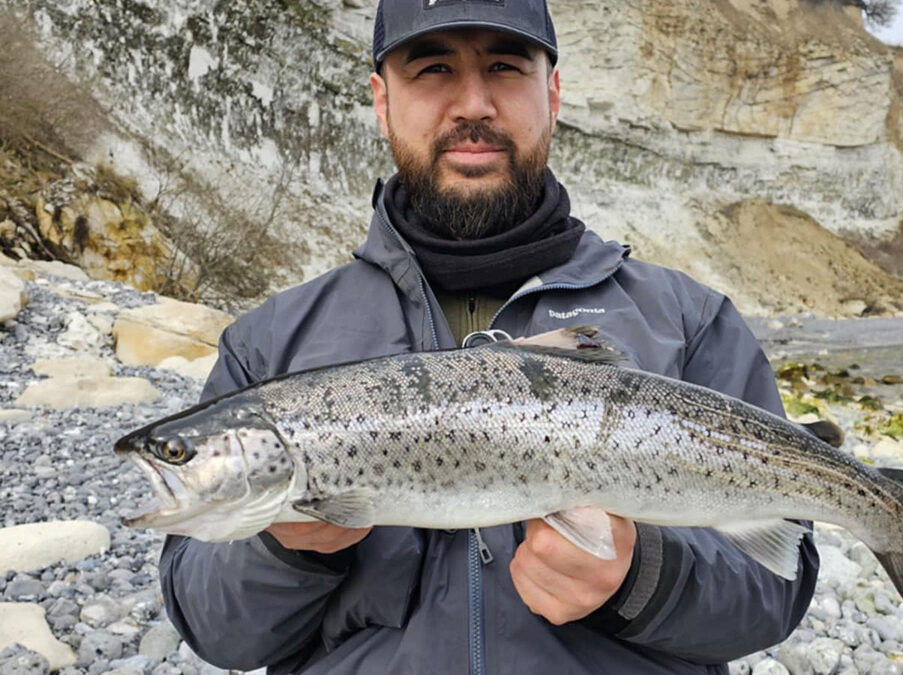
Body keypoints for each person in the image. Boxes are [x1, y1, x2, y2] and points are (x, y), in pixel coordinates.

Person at [159, 1, 819, 672]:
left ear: (552, 95)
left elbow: (774, 592)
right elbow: (219, 635)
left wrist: (643, 576)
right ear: (382, 101)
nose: (473, 104)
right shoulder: (268, 343)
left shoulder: (692, 321)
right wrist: (283, 548)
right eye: (433, 69)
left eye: (504, 66)